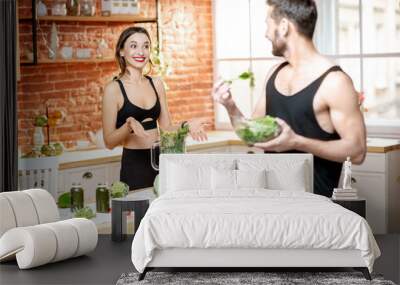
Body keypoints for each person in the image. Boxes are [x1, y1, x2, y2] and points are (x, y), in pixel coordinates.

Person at [212, 0, 366, 197]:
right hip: (271, 202)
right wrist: (230, 106)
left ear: (284, 26)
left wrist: (296, 142)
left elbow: (357, 151)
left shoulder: (335, 82)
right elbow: (250, 136)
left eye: (268, 23)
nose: (265, 33)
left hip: (316, 210)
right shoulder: (274, 73)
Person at [102, 26, 209, 190]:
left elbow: (166, 128)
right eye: (133, 46)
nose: (141, 51)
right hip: (134, 165)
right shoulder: (113, 89)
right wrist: (128, 126)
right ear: (122, 51)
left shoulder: (156, 83)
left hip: (161, 161)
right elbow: (109, 142)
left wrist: (187, 125)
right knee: (140, 214)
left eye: (146, 46)